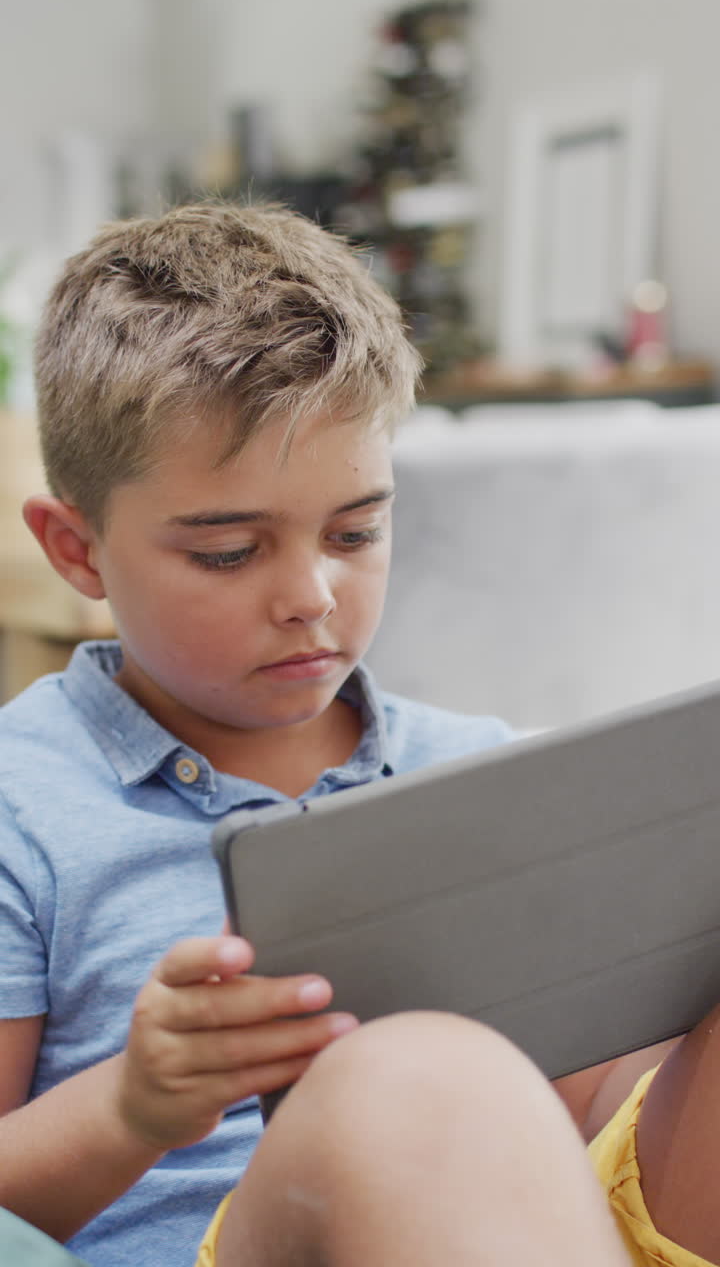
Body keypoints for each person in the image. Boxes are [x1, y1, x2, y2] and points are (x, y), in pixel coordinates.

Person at [0, 199, 713, 1267]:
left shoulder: (484, 769)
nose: (312, 596)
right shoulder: (23, 805)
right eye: (231, 550)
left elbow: (580, 1111)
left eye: (357, 531)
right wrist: (133, 1107)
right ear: (77, 550)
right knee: (412, 1071)